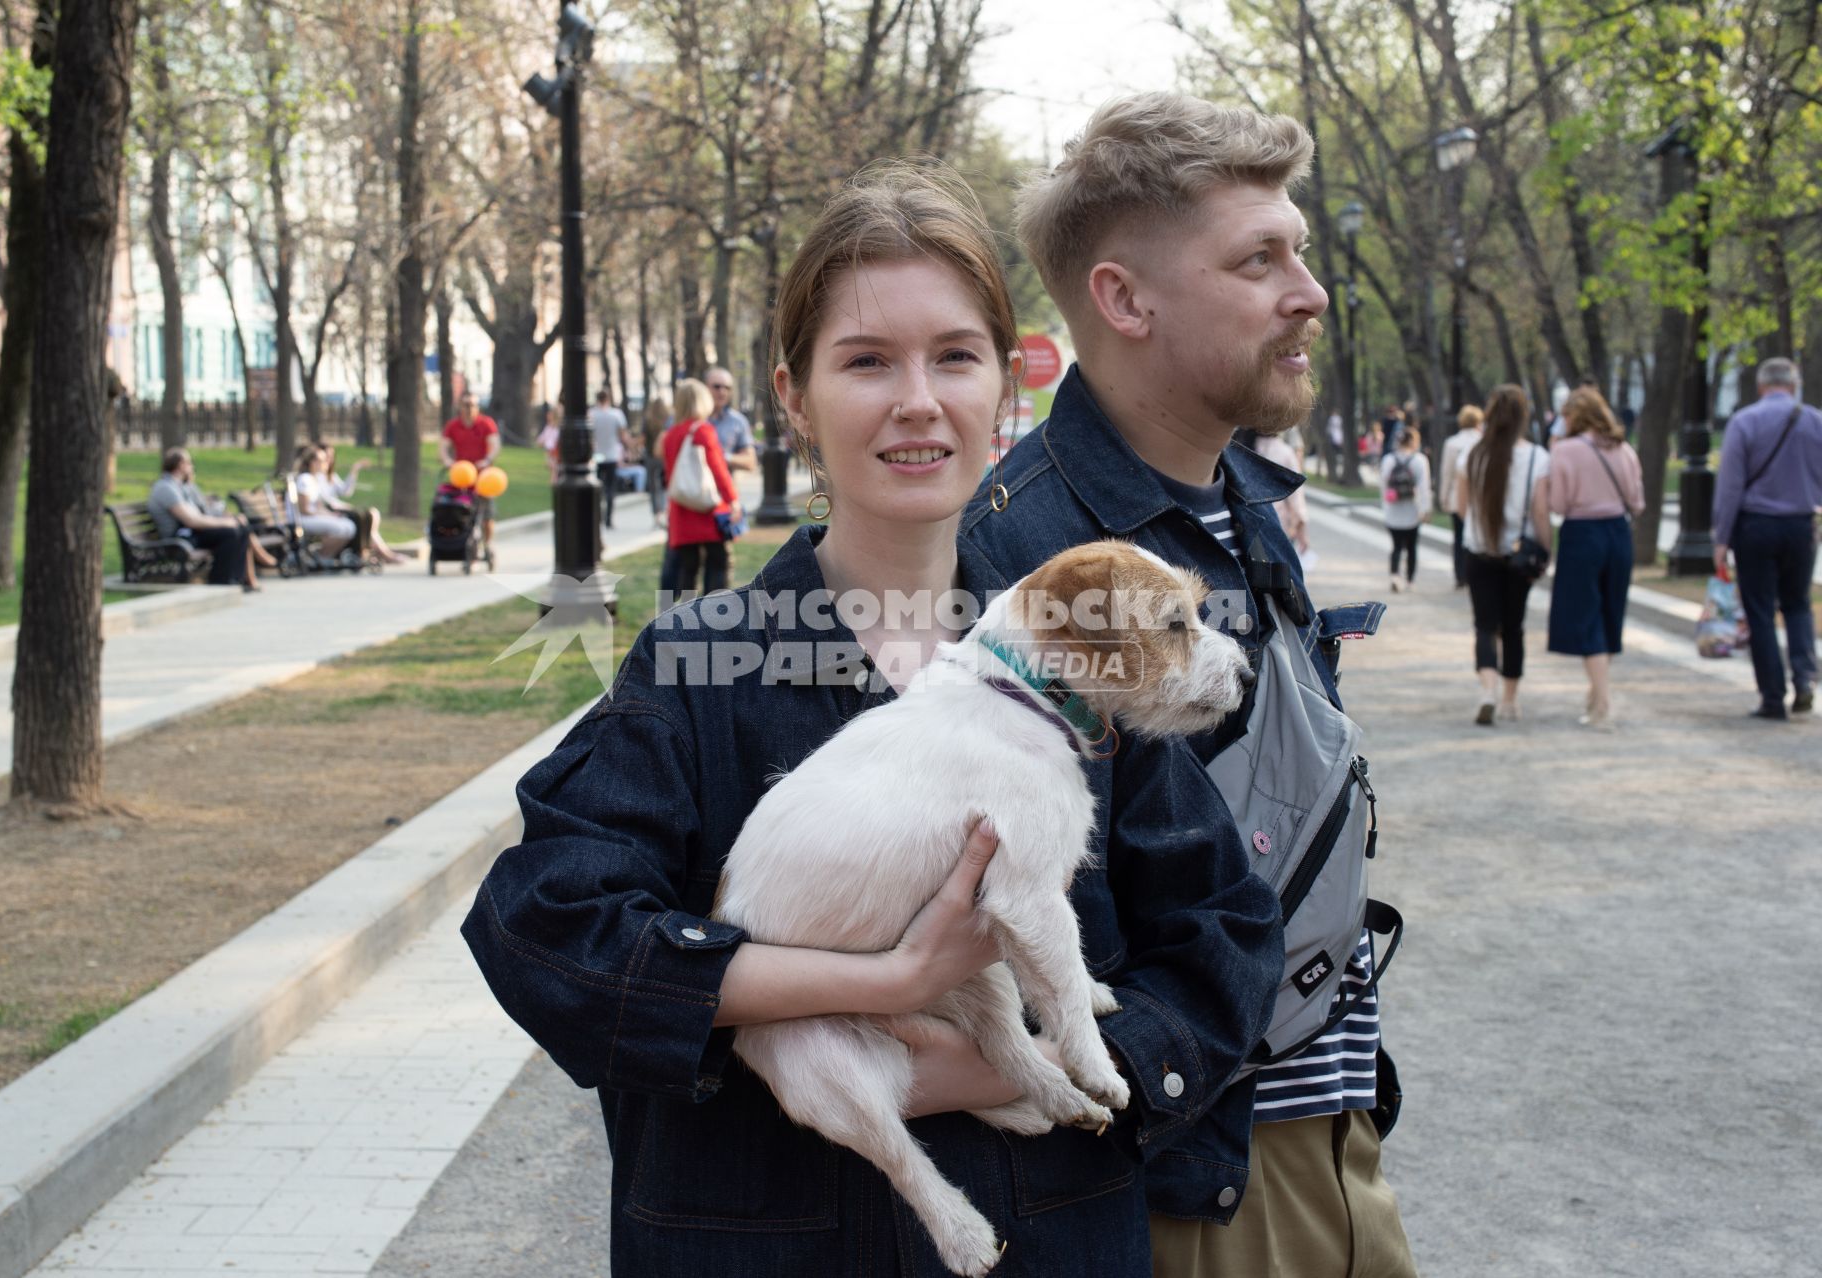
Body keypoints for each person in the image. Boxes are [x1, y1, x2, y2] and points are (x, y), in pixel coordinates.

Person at [461, 162, 1280, 1276]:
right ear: (794, 397)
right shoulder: (703, 666)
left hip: (1053, 1238)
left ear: (1007, 386)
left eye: (955, 355)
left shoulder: (1091, 656)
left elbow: (1223, 941)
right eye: (866, 361)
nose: (917, 400)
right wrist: (878, 987)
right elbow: (545, 929)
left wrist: (1004, 1069)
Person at [969, 92, 1414, 1277]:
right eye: (1259, 258)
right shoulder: (1025, 566)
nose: (1309, 291)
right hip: (1192, 1184)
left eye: (1301, 252)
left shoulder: (1238, 502)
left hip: (1328, 1134)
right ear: (1124, 299)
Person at [1712, 356, 1822, 720]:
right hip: (1801, 525)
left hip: (1755, 526)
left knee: (1759, 611)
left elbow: (1730, 487)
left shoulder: (1745, 422)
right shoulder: (1815, 422)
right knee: (1798, 604)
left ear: (1761, 387)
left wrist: (1721, 538)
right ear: (1794, 385)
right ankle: (1804, 677)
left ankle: (1772, 697)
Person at [1546, 387, 1644, 729]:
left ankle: (1603, 703)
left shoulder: (1565, 451)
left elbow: (1557, 504)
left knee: (1586, 616)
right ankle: (1596, 692)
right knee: (1609, 612)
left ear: (1576, 416)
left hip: (1582, 534)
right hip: (1618, 532)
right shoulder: (1623, 449)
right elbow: (1638, 500)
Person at [1457, 384, 1550, 726]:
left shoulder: (1472, 454)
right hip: (1517, 556)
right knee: (1513, 627)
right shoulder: (1537, 458)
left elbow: (1460, 506)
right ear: (1524, 416)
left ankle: (1487, 692)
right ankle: (1510, 700)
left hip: (1479, 551)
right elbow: (1541, 513)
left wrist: (1481, 529)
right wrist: (1546, 547)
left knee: (1484, 626)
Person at [659, 377, 739, 598]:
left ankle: (688, 623)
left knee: (688, 569)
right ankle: (714, 620)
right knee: (717, 565)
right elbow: (718, 469)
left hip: (681, 511)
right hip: (707, 510)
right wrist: (733, 500)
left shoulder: (670, 435)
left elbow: (670, 475)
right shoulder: (703, 430)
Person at [147, 447, 267, 591]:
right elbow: (191, 521)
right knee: (230, 533)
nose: (192, 467)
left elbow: (202, 510)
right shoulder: (166, 488)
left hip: (190, 532)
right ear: (180, 465)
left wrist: (227, 518)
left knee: (240, 529)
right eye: (190, 463)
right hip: (179, 537)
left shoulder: (182, 486)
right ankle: (221, 582)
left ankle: (237, 579)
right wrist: (226, 522)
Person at [300, 444, 407, 566]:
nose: (328, 461)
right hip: (320, 514)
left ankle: (365, 552)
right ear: (312, 462)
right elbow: (311, 506)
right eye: (324, 459)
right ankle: (330, 555)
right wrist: (333, 512)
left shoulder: (322, 477)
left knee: (368, 515)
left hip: (328, 511)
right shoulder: (308, 479)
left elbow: (341, 493)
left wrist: (355, 469)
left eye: (330, 457)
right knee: (357, 521)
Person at [440, 390, 501, 549]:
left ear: (477, 407)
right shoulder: (453, 425)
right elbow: (443, 446)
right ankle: (465, 545)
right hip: (462, 477)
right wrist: (447, 461)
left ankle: (488, 544)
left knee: (487, 515)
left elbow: (494, 444)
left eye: (473, 405)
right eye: (466, 405)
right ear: (460, 406)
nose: (469, 408)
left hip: (483, 478)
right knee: (460, 513)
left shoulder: (486, 423)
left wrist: (487, 460)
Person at [1379, 424, 1432, 592]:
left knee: (1395, 546)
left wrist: (1385, 507)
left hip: (1393, 511)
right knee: (1411, 547)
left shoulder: (1388, 460)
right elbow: (1424, 488)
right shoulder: (1420, 460)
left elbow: (1383, 486)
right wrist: (1425, 509)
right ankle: (1410, 580)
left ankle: (1395, 576)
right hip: (1412, 511)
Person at [1439, 404, 1484, 588]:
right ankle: (1475, 574)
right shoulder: (1483, 441)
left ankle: (1460, 575)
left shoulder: (1452, 443)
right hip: (1479, 498)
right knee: (1477, 537)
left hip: (1457, 497)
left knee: (1458, 538)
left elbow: (1447, 472)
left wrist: (1443, 496)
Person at [290, 445, 359, 558]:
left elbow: (318, 506)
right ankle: (322, 556)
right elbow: (304, 509)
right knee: (344, 528)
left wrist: (331, 515)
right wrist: (327, 516)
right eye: (322, 460)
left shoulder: (314, 479)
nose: (326, 463)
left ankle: (324, 556)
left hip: (310, 517)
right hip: (301, 519)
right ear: (313, 462)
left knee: (349, 526)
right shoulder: (305, 479)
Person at [1251, 428, 1309, 556]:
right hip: (1280, 525)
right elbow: (1296, 496)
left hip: (1250, 525)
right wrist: (1301, 530)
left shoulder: (1244, 448)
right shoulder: (1285, 453)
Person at [588, 388, 633, 529]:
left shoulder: (591, 414)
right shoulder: (616, 415)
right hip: (612, 455)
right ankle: (608, 519)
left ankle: (598, 516)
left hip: (597, 455)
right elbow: (623, 435)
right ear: (608, 399)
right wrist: (630, 448)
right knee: (610, 489)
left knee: (597, 488)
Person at [704, 364, 759, 477]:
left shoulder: (738, 421)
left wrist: (721, 456)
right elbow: (660, 449)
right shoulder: (688, 416)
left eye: (727, 388)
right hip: (689, 491)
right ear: (705, 387)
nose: (722, 392)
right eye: (717, 386)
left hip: (722, 491)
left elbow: (750, 462)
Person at [642, 394, 671, 526]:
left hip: (650, 456)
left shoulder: (647, 419)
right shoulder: (668, 418)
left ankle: (657, 513)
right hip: (665, 456)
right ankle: (665, 510)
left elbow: (643, 438)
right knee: (665, 484)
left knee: (654, 487)